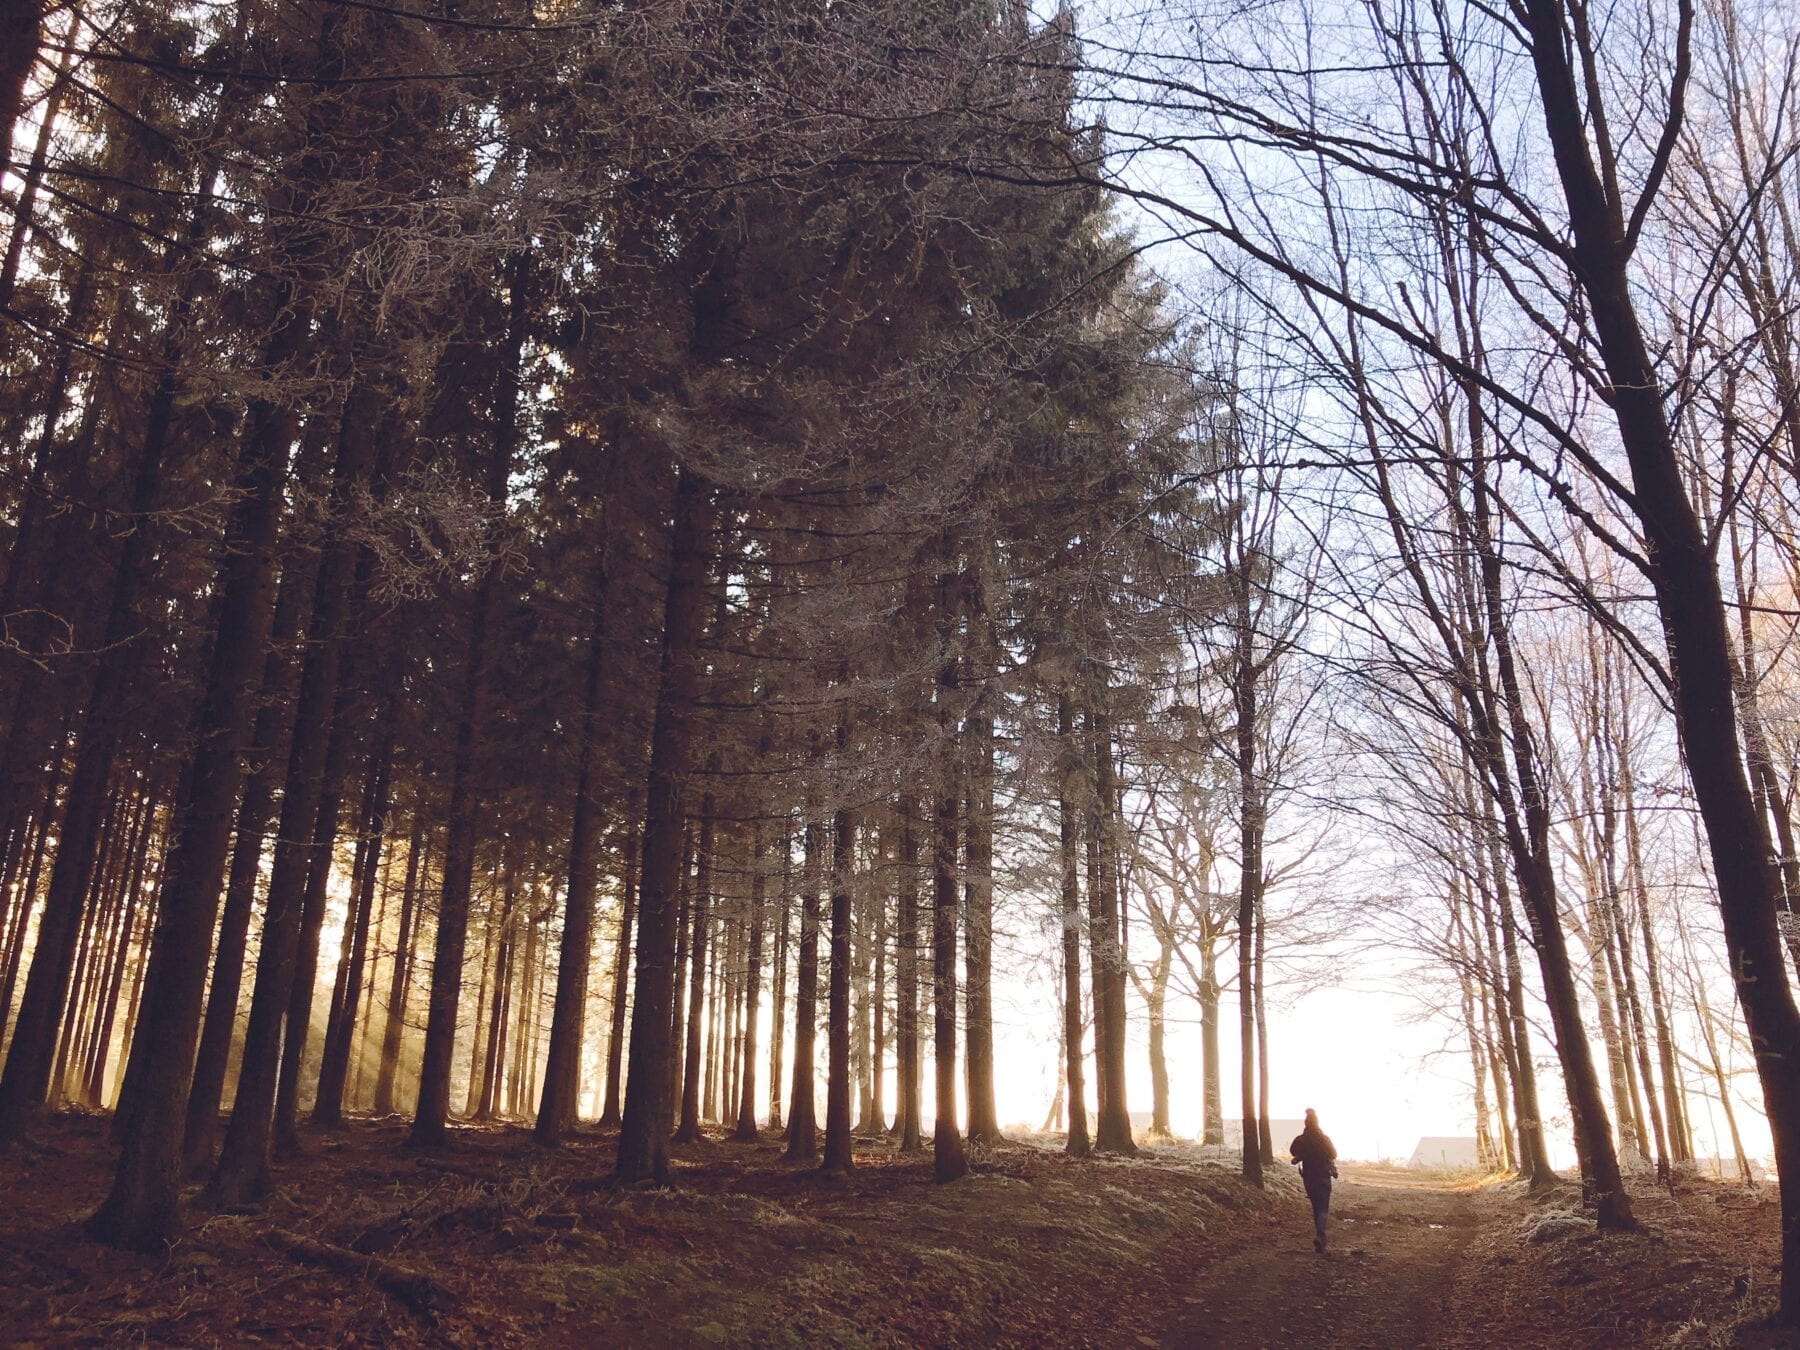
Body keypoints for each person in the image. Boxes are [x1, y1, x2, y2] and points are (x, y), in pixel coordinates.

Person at [1289, 1108, 1339, 1253]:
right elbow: (1334, 1154)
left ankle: (1319, 1234)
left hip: (1309, 1178)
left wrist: (1303, 1154)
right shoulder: (1324, 1139)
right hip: (1323, 1176)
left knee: (1316, 1206)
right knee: (1323, 1206)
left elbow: (1293, 1151)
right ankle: (1320, 1233)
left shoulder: (1301, 1139)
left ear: (1306, 1124)